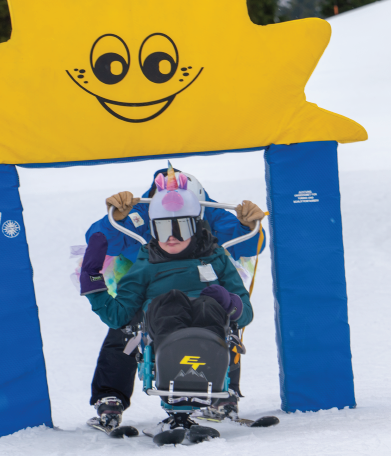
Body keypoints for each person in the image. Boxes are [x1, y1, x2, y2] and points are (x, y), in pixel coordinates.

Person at [82, 165, 265, 431]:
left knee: (219, 319)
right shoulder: (142, 211)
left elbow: (246, 243)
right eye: (164, 225)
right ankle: (111, 394)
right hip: (148, 275)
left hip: (204, 279)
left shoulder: (208, 215)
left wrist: (248, 226)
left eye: (182, 224)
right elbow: (102, 238)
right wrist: (118, 219)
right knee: (129, 326)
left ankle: (222, 391)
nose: (172, 235)